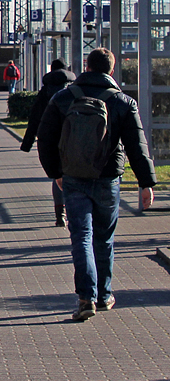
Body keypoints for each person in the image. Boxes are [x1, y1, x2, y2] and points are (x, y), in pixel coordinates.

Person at [36, 47, 156, 322]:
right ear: (112, 71)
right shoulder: (123, 102)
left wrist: (57, 172)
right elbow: (137, 146)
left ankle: (85, 298)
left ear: (87, 68)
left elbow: (46, 138)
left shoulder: (63, 98)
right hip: (107, 178)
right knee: (104, 238)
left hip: (74, 178)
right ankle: (103, 295)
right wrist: (146, 183)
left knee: (81, 237)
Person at [20, 58, 76, 225]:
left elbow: (35, 117)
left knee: (57, 176)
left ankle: (60, 213)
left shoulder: (45, 91)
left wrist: (27, 143)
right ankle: (74, 210)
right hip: (71, 137)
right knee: (74, 175)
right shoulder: (74, 89)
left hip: (51, 137)